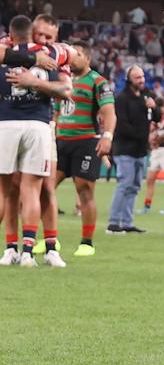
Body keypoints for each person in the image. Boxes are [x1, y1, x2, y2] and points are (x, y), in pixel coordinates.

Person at [0, 15, 69, 267]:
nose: (44, 40)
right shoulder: (52, 55)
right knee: (27, 189)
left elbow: (67, 90)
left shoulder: (5, 52)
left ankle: (49, 248)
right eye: (40, 35)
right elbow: (66, 89)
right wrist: (34, 62)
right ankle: (24, 250)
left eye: (49, 37)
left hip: (10, 123)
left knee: (36, 189)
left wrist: (34, 81)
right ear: (33, 31)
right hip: (36, 124)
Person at [53, 41, 115, 257]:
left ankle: (87, 242)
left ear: (87, 58)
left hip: (85, 142)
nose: (72, 57)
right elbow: (56, 111)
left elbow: (109, 112)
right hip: (60, 142)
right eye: (70, 53)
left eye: (77, 54)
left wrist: (107, 136)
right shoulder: (61, 79)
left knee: (85, 192)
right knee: (45, 189)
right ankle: (50, 240)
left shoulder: (98, 81)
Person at [108, 66, 155, 235]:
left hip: (141, 150)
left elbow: (155, 117)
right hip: (125, 149)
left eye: (142, 77)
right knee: (124, 184)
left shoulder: (146, 96)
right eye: (137, 78)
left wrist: (153, 107)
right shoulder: (121, 99)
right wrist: (143, 135)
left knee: (134, 187)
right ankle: (113, 222)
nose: (141, 80)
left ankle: (127, 223)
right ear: (129, 80)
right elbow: (122, 125)